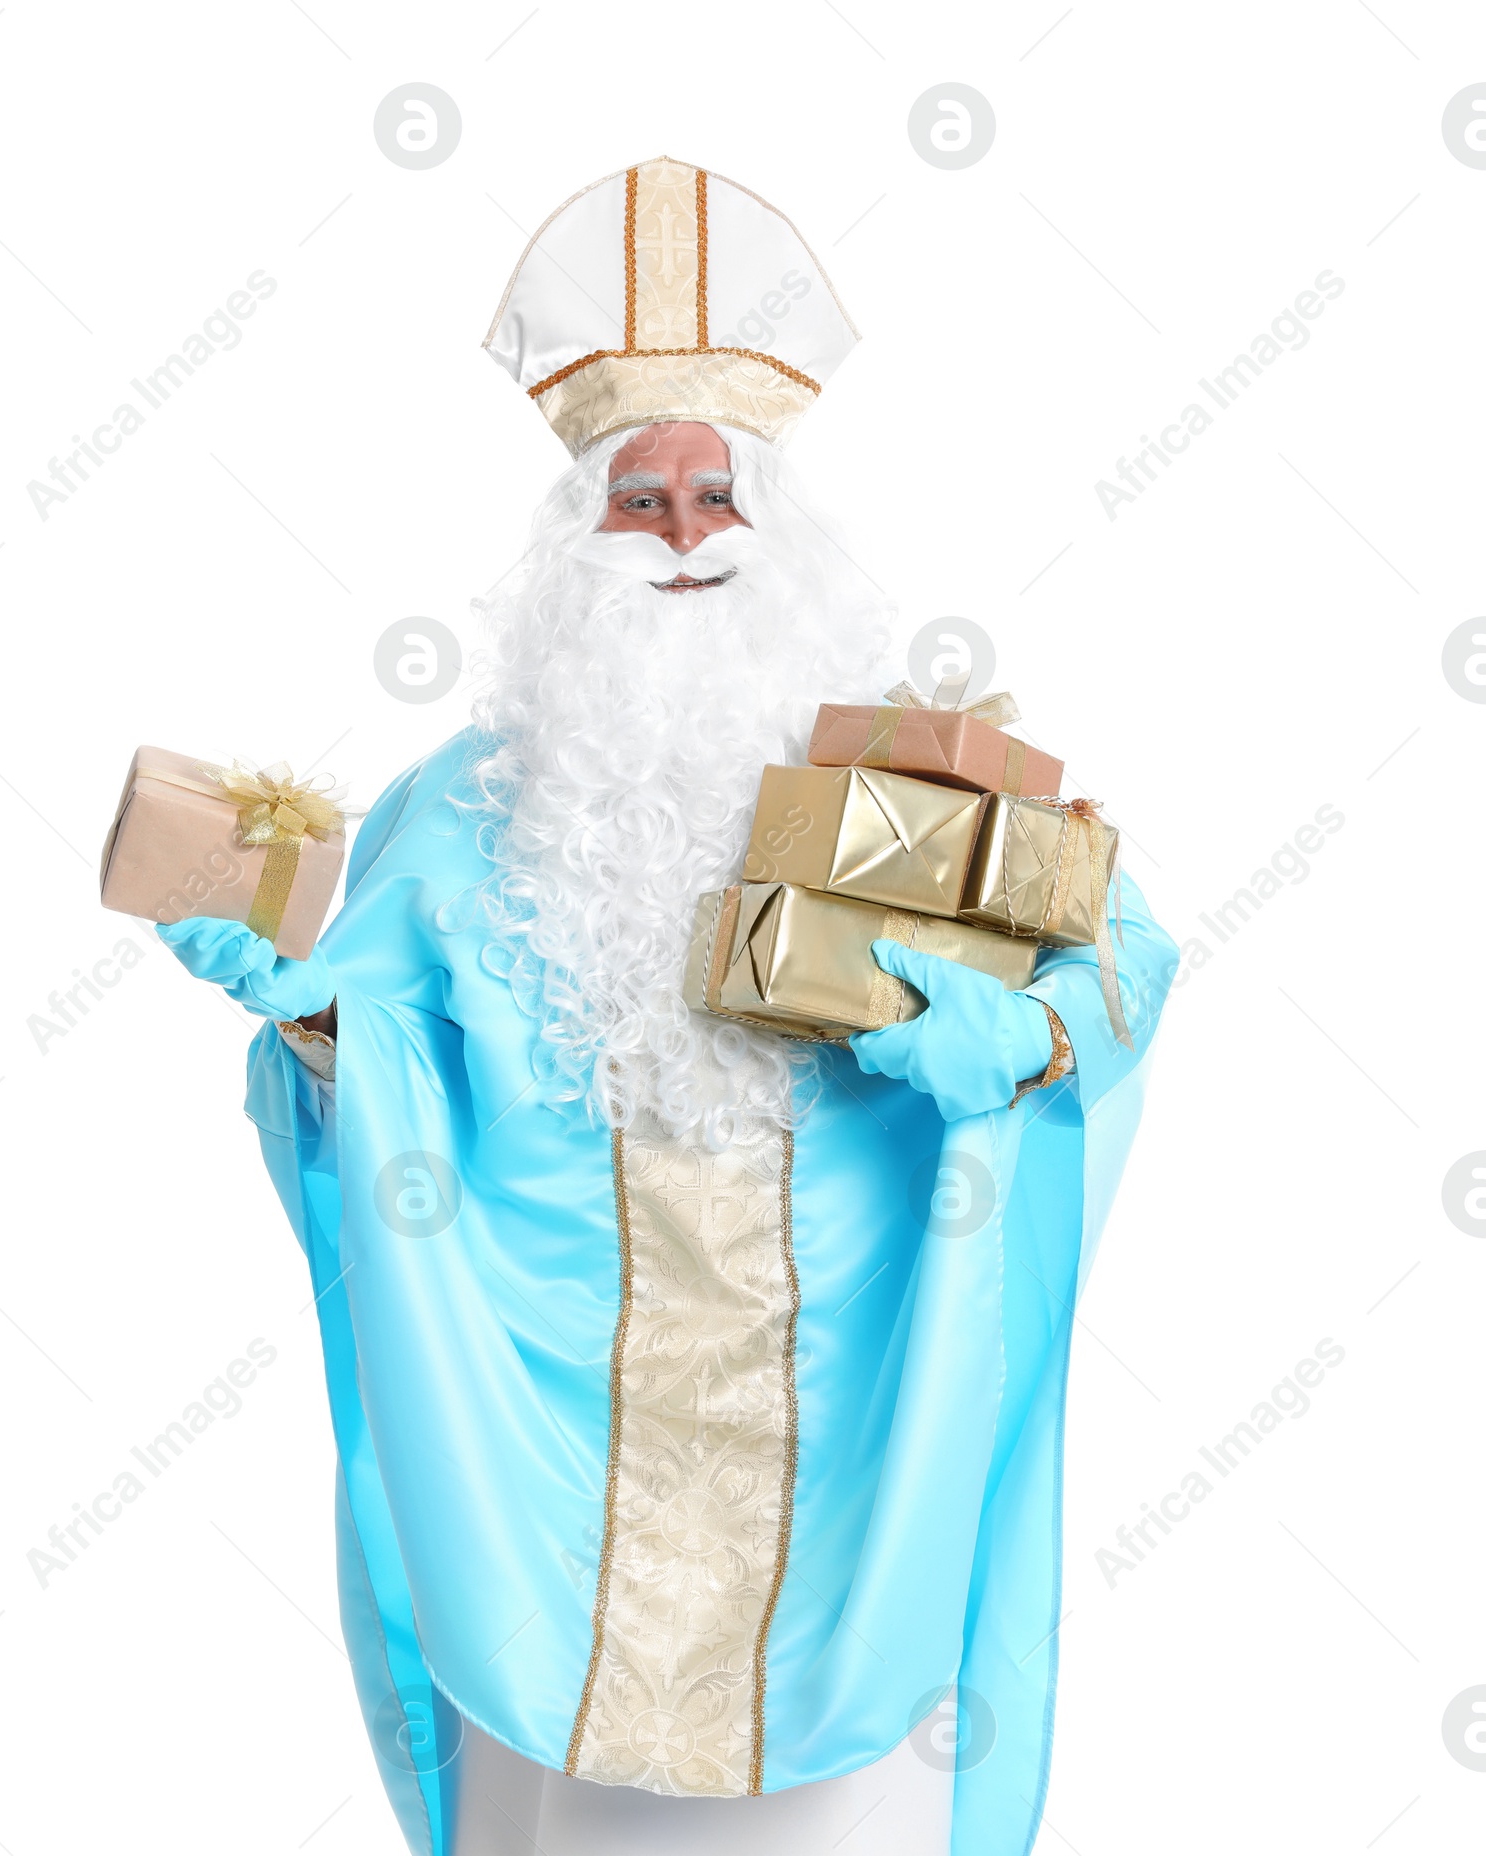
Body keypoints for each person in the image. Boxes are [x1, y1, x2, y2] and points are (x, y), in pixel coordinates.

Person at [158, 158, 1176, 1856]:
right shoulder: (462, 807)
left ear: (781, 530)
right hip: (553, 1486)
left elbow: (1121, 950)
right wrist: (311, 1026)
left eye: (721, 499)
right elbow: (383, 1056)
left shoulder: (909, 769)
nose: (690, 538)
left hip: (866, 1430)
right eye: (645, 504)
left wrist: (1026, 1034)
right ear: (579, 541)